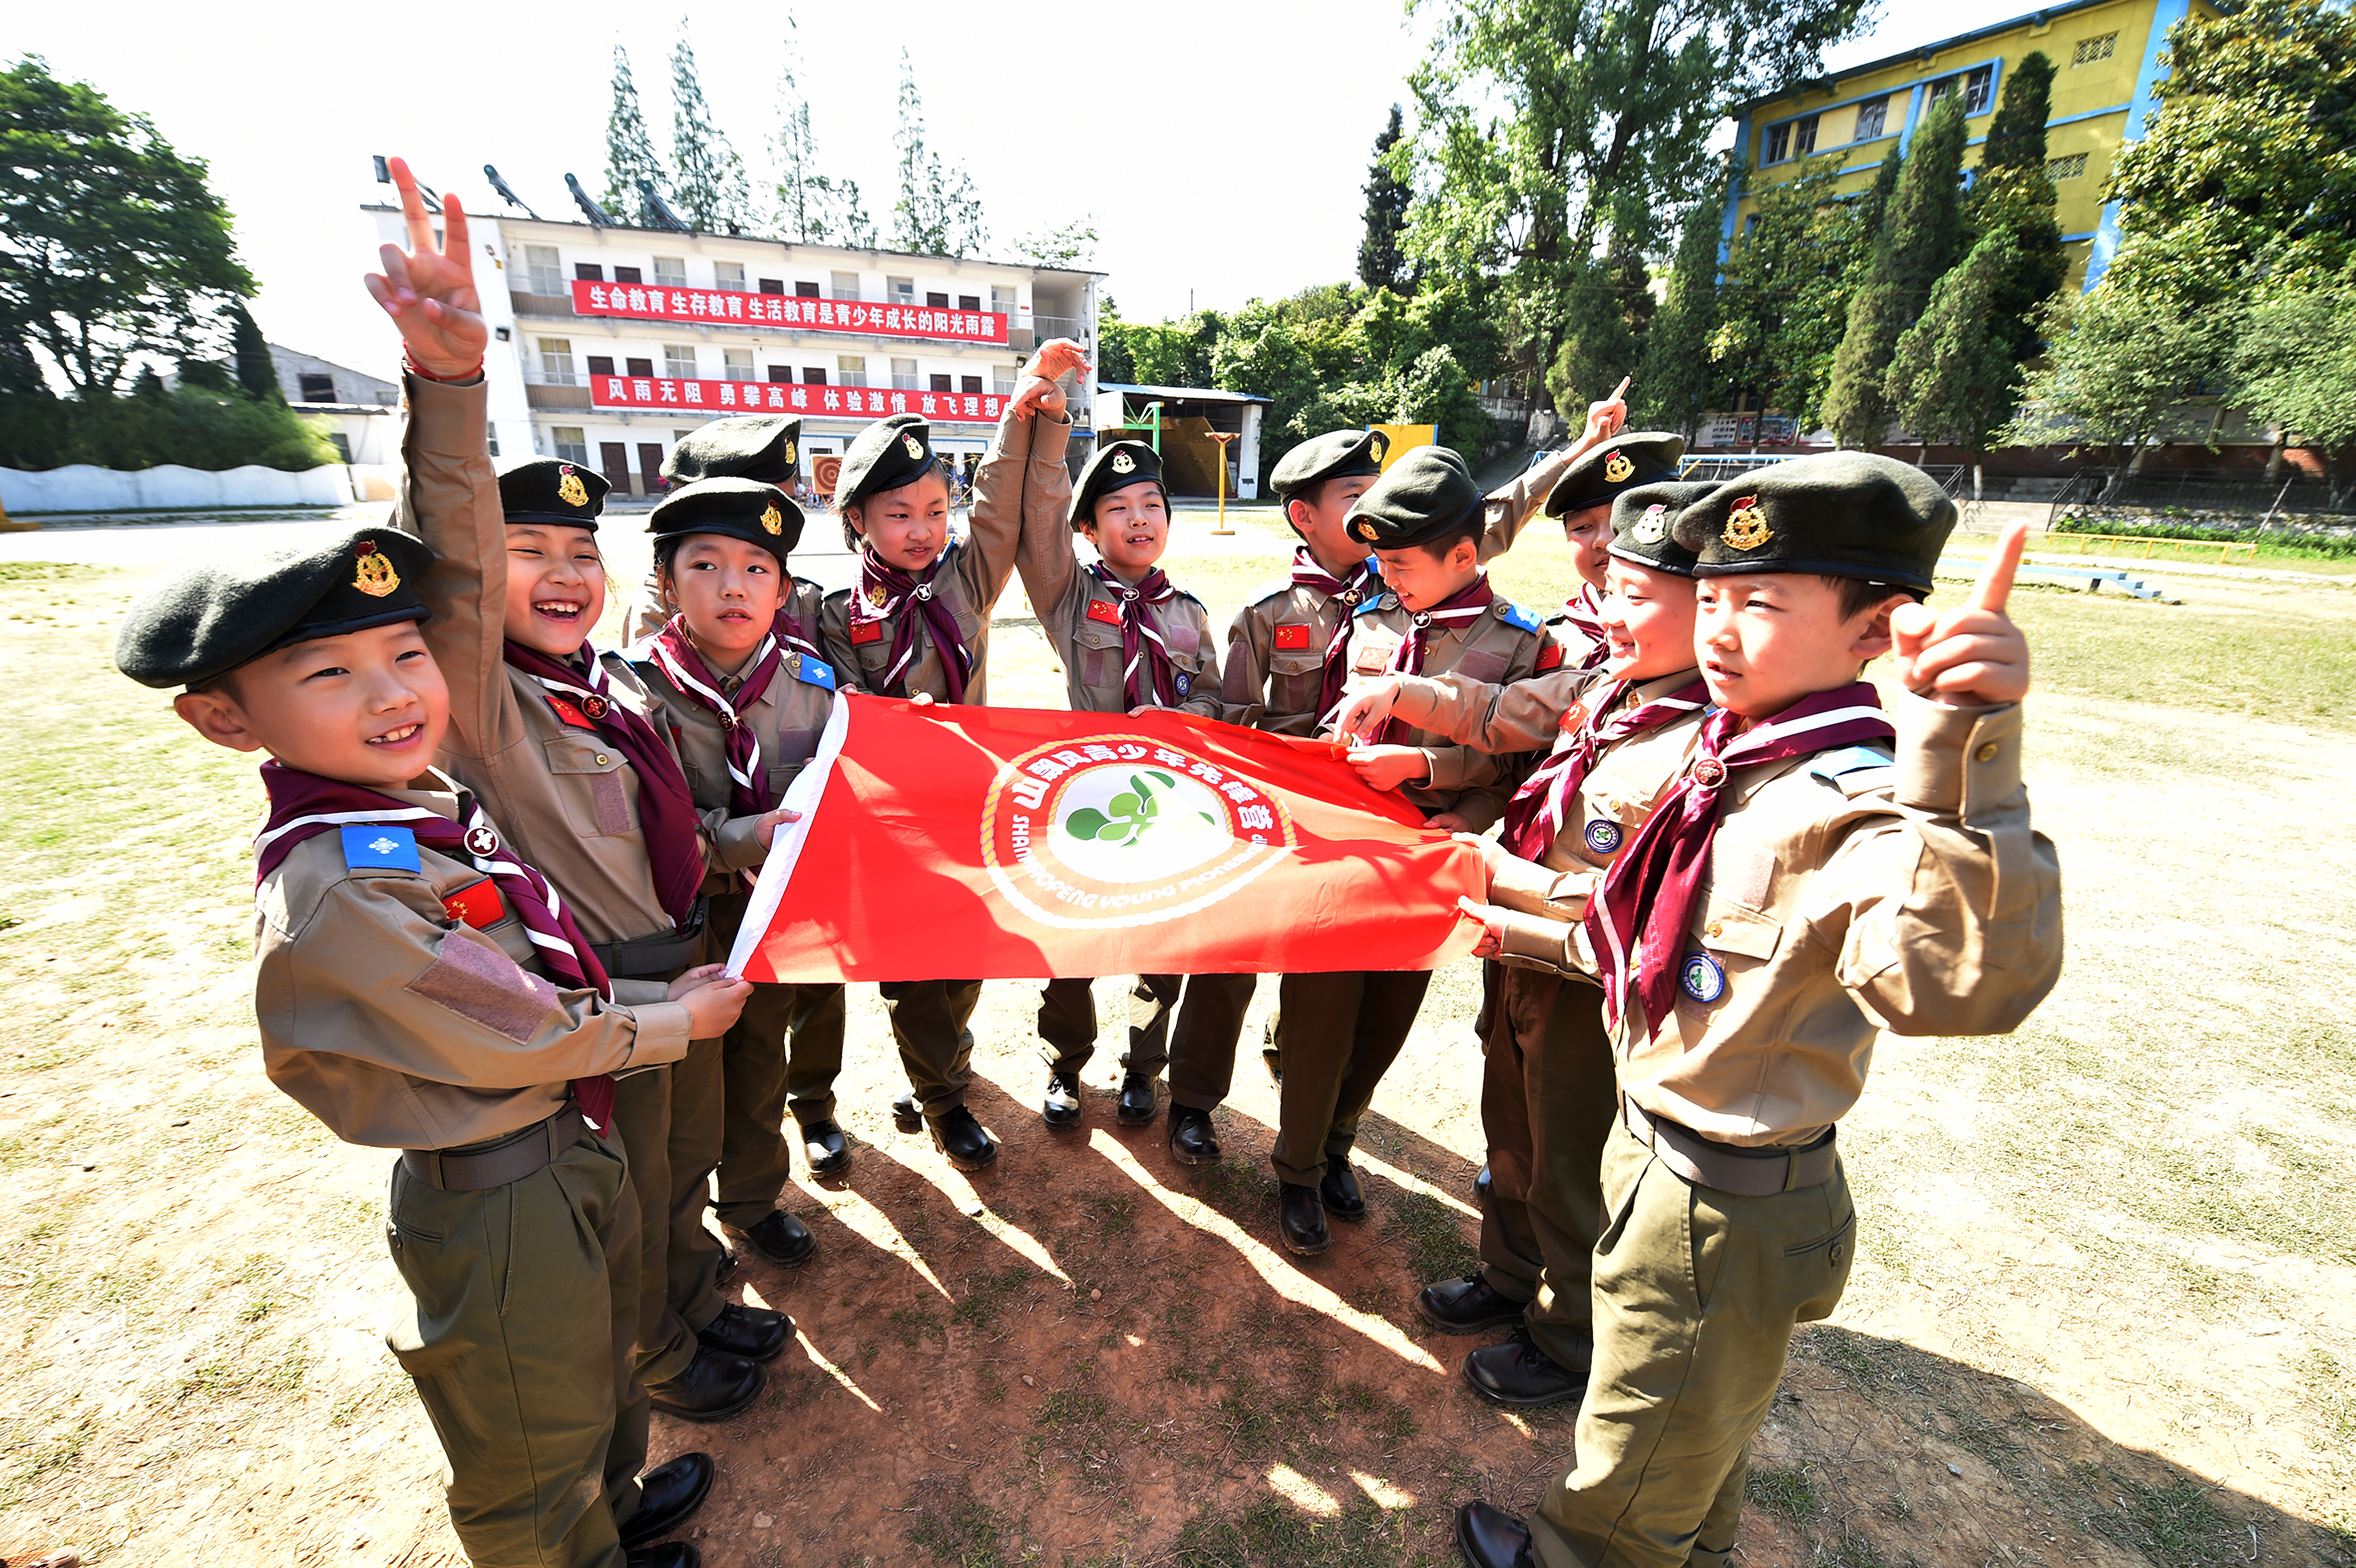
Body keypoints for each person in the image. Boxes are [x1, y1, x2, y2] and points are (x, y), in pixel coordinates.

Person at [1450, 455, 2064, 1568]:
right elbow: (1647, 926)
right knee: (1697, 1423)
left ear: (1877, 630)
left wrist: (1967, 745)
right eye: (1717, 598)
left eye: (1763, 605)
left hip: (1719, 1205)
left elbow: (1955, 987)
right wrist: (1513, 914)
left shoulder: (1856, 800)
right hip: (1680, 1173)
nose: (1721, 630)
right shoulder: (1738, 766)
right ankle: (1701, 1543)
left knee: (1638, 1441)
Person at [113, 522, 751, 1568]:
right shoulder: (345, 884)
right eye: (329, 673)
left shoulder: (411, 817)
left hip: (565, 1146)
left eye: (407, 654)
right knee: (527, 1432)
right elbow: (521, 1032)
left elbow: (533, 976)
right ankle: (570, 1545)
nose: (393, 695)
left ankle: (615, 1514)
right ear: (224, 718)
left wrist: (651, 987)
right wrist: (677, 1019)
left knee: (591, 1367)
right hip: (498, 1195)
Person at [368, 162, 789, 1432]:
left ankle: (699, 1294)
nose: (559, 573)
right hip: (610, 992)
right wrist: (450, 388)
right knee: (633, 1192)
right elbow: (445, 556)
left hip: (687, 963)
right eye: (528, 555)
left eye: (578, 553)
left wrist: (762, 834)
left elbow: (676, 836)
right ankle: (659, 1352)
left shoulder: (606, 688)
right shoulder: (486, 703)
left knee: (688, 1173)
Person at [1340, 481, 1717, 1412]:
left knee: (1571, 1160)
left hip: (1584, 981)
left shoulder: (1713, 737)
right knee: (1509, 1130)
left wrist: (1497, 888)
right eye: (1611, 588)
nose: (1613, 614)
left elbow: (1645, 908)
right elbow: (1501, 710)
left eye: (1639, 597)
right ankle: (1507, 1276)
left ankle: (1567, 1333)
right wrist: (1398, 689)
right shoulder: (1607, 686)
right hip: (1517, 961)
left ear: (1712, 608)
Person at [1264, 446, 1549, 1257]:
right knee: (1317, 1018)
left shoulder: (1520, 642)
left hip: (1430, 854)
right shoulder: (1371, 616)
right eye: (1377, 560)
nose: (1385, 576)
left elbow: (1514, 770)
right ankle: (1295, 1171)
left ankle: (1338, 1142)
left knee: (1386, 1021)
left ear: (1465, 554)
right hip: (1343, 851)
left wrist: (1440, 786)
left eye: (1399, 561)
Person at [817, 341, 1086, 1171]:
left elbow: (1001, 511)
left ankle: (934, 1059)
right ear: (857, 519)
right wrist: (896, 723)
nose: (923, 528)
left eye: (936, 510)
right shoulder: (833, 614)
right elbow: (837, 714)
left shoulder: (962, 582)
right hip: (888, 818)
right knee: (909, 968)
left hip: (965, 803)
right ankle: (942, 1097)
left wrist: (1024, 408)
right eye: (899, 513)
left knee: (964, 951)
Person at [629, 476, 847, 1280]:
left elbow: (839, 781)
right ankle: (685, 1236)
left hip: (774, 916)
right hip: (678, 922)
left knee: (761, 1060)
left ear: (783, 588)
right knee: (686, 1086)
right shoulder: (631, 691)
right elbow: (633, 821)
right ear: (665, 582)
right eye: (706, 566)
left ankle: (753, 1202)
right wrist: (734, 837)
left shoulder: (812, 683)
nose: (733, 586)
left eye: (758, 568)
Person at [1009, 432, 1226, 1130]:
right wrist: (1043, 438)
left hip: (1167, 806)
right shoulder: (1070, 596)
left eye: (1151, 504)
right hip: (1087, 803)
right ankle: (1065, 1063)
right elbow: (1038, 531)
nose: (1139, 519)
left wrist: (1178, 717)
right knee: (1074, 944)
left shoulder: (1188, 612)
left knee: (1161, 949)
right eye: (1118, 508)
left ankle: (1141, 1066)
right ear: (1088, 528)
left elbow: (1217, 701)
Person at [622, 415, 828, 646]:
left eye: (786, 504)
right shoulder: (661, 603)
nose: (776, 521)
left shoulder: (801, 597)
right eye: (762, 508)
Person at [1526, 430, 1688, 670]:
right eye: (1582, 527)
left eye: (1622, 520)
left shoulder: (1699, 633)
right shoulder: (1548, 640)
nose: (1604, 540)